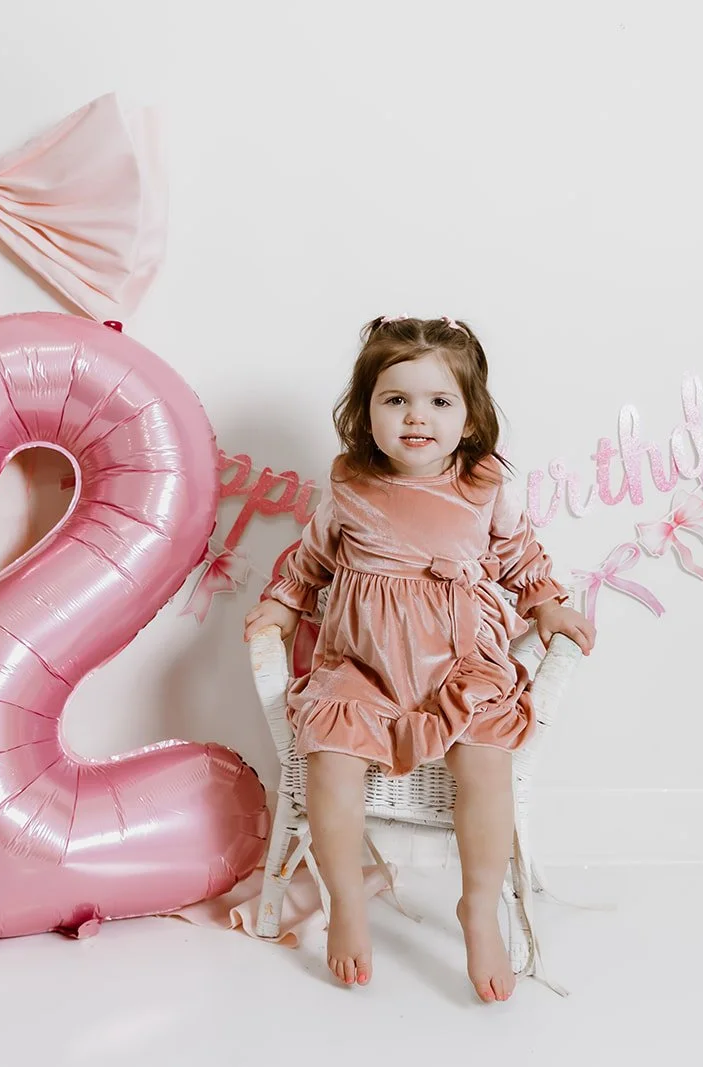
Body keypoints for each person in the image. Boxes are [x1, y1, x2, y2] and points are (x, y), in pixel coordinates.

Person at [243, 315, 596, 1002]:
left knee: (486, 761)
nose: (416, 416)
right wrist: (285, 606)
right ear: (365, 412)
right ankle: (346, 902)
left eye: (439, 401)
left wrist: (548, 604)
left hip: (459, 661)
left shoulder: (481, 483)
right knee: (329, 759)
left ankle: (478, 905)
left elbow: (520, 555)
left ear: (468, 418)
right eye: (395, 399)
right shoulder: (349, 483)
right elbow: (312, 560)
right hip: (363, 665)